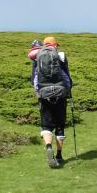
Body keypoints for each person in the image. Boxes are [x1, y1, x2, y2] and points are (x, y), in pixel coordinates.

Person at [27, 36, 73, 168]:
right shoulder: (60, 57)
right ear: (54, 45)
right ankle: (59, 156)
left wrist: (38, 93)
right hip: (61, 94)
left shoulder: (38, 58)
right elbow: (66, 77)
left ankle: (48, 147)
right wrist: (68, 90)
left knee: (46, 126)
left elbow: (34, 79)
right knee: (60, 126)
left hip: (44, 94)